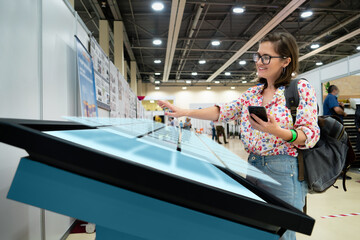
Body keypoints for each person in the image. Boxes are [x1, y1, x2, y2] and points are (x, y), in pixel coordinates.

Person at [158, 32, 320, 240]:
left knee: (282, 233)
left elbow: (309, 134)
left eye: (266, 57)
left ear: (286, 61)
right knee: (259, 229)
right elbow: (222, 111)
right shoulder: (252, 93)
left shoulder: (299, 89)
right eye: (258, 56)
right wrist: (185, 112)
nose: (259, 62)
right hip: (253, 167)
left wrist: (277, 131)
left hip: (284, 170)